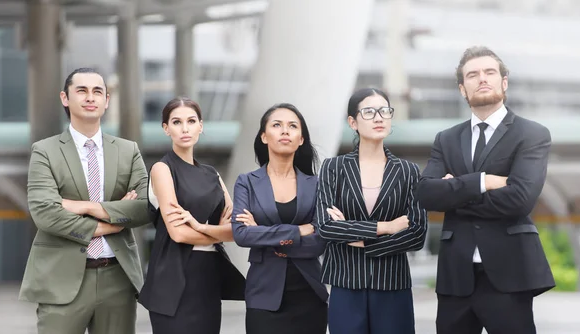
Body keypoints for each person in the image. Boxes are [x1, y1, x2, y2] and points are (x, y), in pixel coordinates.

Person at [416, 46, 555, 334]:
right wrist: (482, 181)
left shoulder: (532, 134)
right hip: (456, 276)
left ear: (504, 82)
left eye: (489, 72)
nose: (482, 79)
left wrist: (454, 193)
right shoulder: (446, 139)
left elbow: (520, 199)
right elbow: (426, 194)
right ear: (462, 89)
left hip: (509, 274)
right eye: (472, 75)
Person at [19, 67, 150, 334]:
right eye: (82, 90)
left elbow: (144, 206)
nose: (90, 97)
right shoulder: (44, 151)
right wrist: (108, 224)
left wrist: (88, 207)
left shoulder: (128, 150)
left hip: (118, 277)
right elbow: (45, 212)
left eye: (97, 91)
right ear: (65, 98)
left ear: (106, 100)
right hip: (61, 278)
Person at [315, 88, 428, 334]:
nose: (379, 117)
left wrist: (359, 241)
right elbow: (325, 226)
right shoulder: (333, 168)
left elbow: (417, 233)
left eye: (384, 111)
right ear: (352, 122)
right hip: (345, 282)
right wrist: (385, 228)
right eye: (369, 112)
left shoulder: (408, 171)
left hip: (392, 284)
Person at [138, 97, 245, 334]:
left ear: (201, 125)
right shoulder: (162, 169)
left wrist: (199, 227)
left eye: (191, 121)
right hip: (173, 277)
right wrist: (218, 233)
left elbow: (237, 230)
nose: (185, 128)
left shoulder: (212, 174)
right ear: (166, 128)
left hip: (207, 275)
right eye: (176, 122)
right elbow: (178, 233)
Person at [231, 103, 328, 334]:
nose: (285, 131)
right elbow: (242, 235)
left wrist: (264, 235)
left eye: (293, 126)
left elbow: (320, 239)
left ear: (301, 139)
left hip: (310, 294)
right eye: (277, 125)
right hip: (264, 295)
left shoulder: (316, 184)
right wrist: (297, 231)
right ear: (264, 136)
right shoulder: (247, 182)